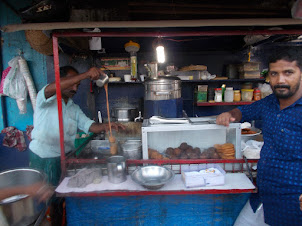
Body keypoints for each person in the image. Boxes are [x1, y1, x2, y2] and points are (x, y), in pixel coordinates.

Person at [216, 48, 302, 225]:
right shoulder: (269, 103)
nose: (280, 80)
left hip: (293, 201)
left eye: (288, 73)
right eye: (274, 74)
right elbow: (242, 111)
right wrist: (230, 114)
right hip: (263, 194)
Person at [29, 66, 125, 186]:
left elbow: (90, 126)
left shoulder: (73, 108)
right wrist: (86, 74)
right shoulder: (45, 99)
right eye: (72, 83)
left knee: (64, 194)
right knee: (46, 197)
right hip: (44, 158)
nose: (75, 88)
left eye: (78, 85)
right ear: (62, 81)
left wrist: (108, 126)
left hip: (66, 157)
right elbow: (50, 89)